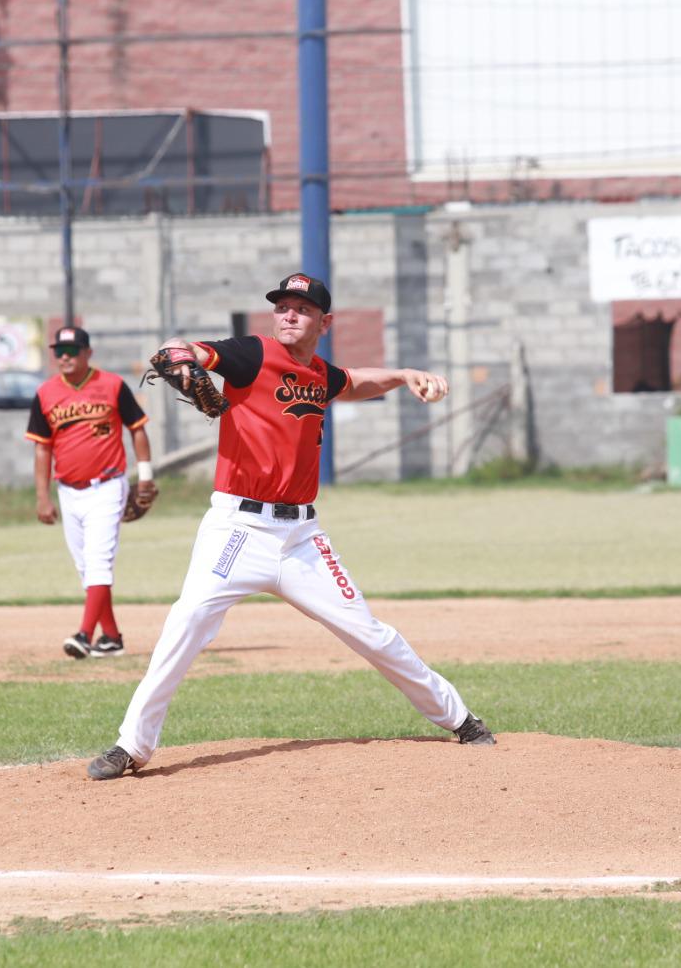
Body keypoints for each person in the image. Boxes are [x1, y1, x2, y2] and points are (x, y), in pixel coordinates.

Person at [85, 273, 495, 781]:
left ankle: (460, 719)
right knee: (185, 625)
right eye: (282, 306)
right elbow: (174, 350)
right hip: (238, 529)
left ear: (325, 321)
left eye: (301, 308)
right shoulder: (252, 354)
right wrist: (185, 366)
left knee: (370, 633)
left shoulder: (320, 374)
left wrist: (404, 373)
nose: (288, 314)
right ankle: (132, 746)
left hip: (302, 537)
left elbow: (356, 381)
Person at [27, 325, 157, 660]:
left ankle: (85, 635)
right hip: (68, 491)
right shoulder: (45, 393)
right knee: (87, 569)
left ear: (88, 353)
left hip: (108, 485)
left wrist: (144, 477)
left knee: (99, 562)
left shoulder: (112, 385)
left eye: (72, 351)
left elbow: (137, 430)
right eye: (60, 352)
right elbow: (42, 450)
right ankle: (111, 638)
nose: (65, 357)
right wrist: (42, 497)